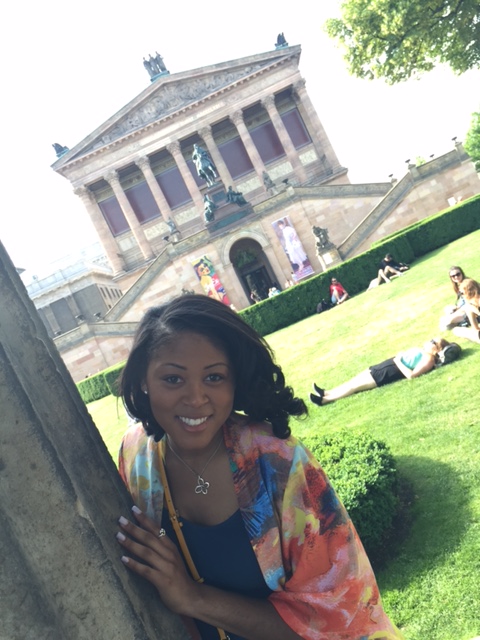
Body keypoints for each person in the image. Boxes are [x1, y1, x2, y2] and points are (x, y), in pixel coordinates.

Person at [116, 295, 404, 640]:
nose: (195, 398)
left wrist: (192, 598)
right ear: (144, 380)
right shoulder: (137, 456)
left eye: (214, 377)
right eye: (173, 379)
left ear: (235, 380)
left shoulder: (281, 464)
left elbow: (339, 621)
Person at [310, 336, 450, 406]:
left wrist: (398, 361)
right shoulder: (423, 352)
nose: (429, 341)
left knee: (354, 387)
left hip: (388, 372)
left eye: (433, 342)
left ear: (437, 349)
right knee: (352, 381)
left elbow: (411, 375)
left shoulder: (429, 358)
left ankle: (324, 400)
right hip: (388, 365)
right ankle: (326, 392)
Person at [439, 265, 470, 330]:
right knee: (447, 309)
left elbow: (470, 303)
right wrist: (457, 308)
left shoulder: (468, 284)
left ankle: (463, 321)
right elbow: (462, 300)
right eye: (453, 276)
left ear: (462, 273)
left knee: (447, 325)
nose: (456, 277)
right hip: (463, 308)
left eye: (458, 274)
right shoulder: (458, 285)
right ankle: (457, 321)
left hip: (470, 310)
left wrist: (458, 309)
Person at [452, 278, 480, 344]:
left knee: (456, 330)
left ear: (466, 292)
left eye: (462, 293)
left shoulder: (470, 305)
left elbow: (475, 328)